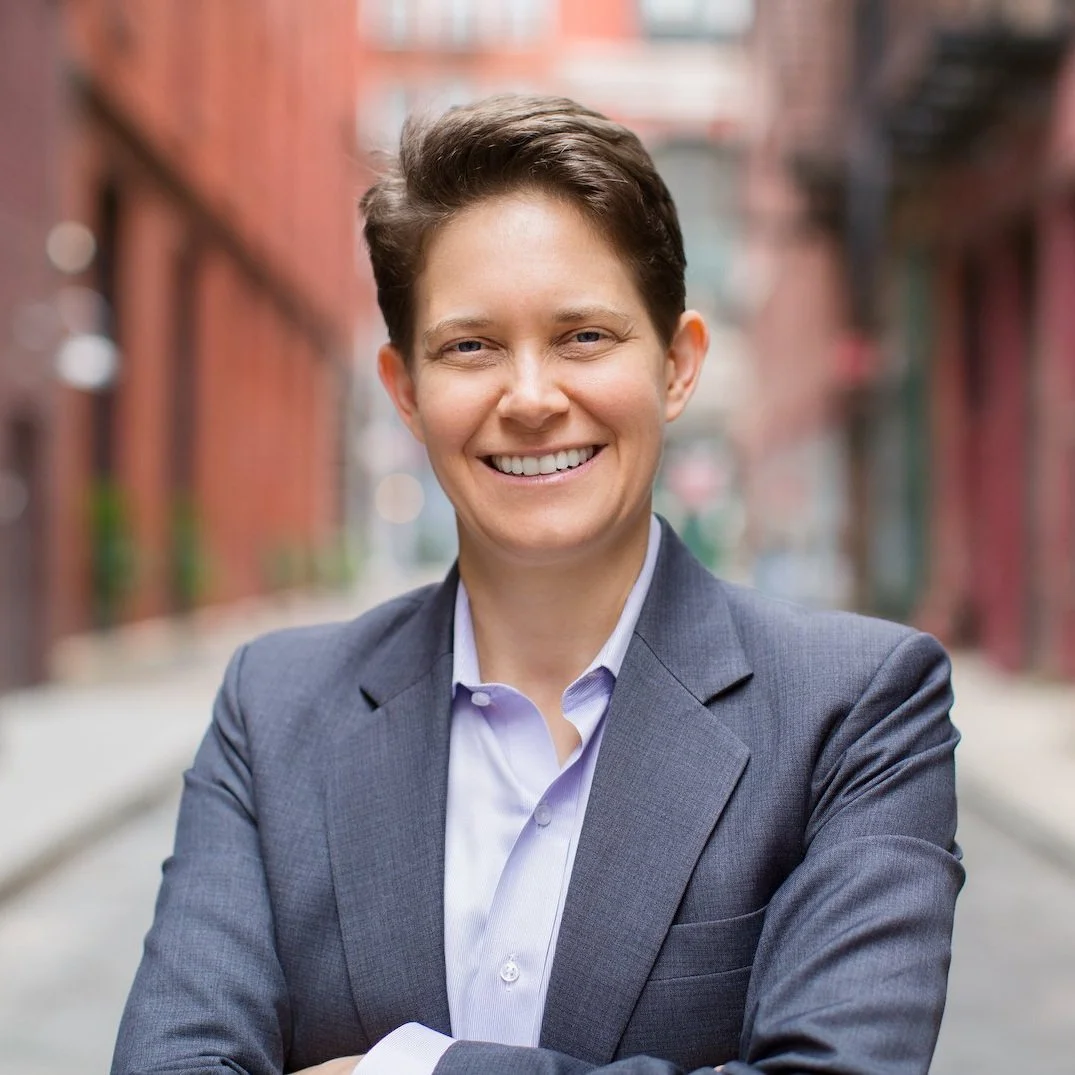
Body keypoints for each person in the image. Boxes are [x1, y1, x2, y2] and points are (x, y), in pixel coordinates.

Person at [112, 95, 963, 1075]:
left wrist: (411, 1072)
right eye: (469, 347)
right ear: (405, 389)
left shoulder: (854, 707)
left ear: (678, 365)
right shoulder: (274, 708)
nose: (528, 398)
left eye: (583, 337)